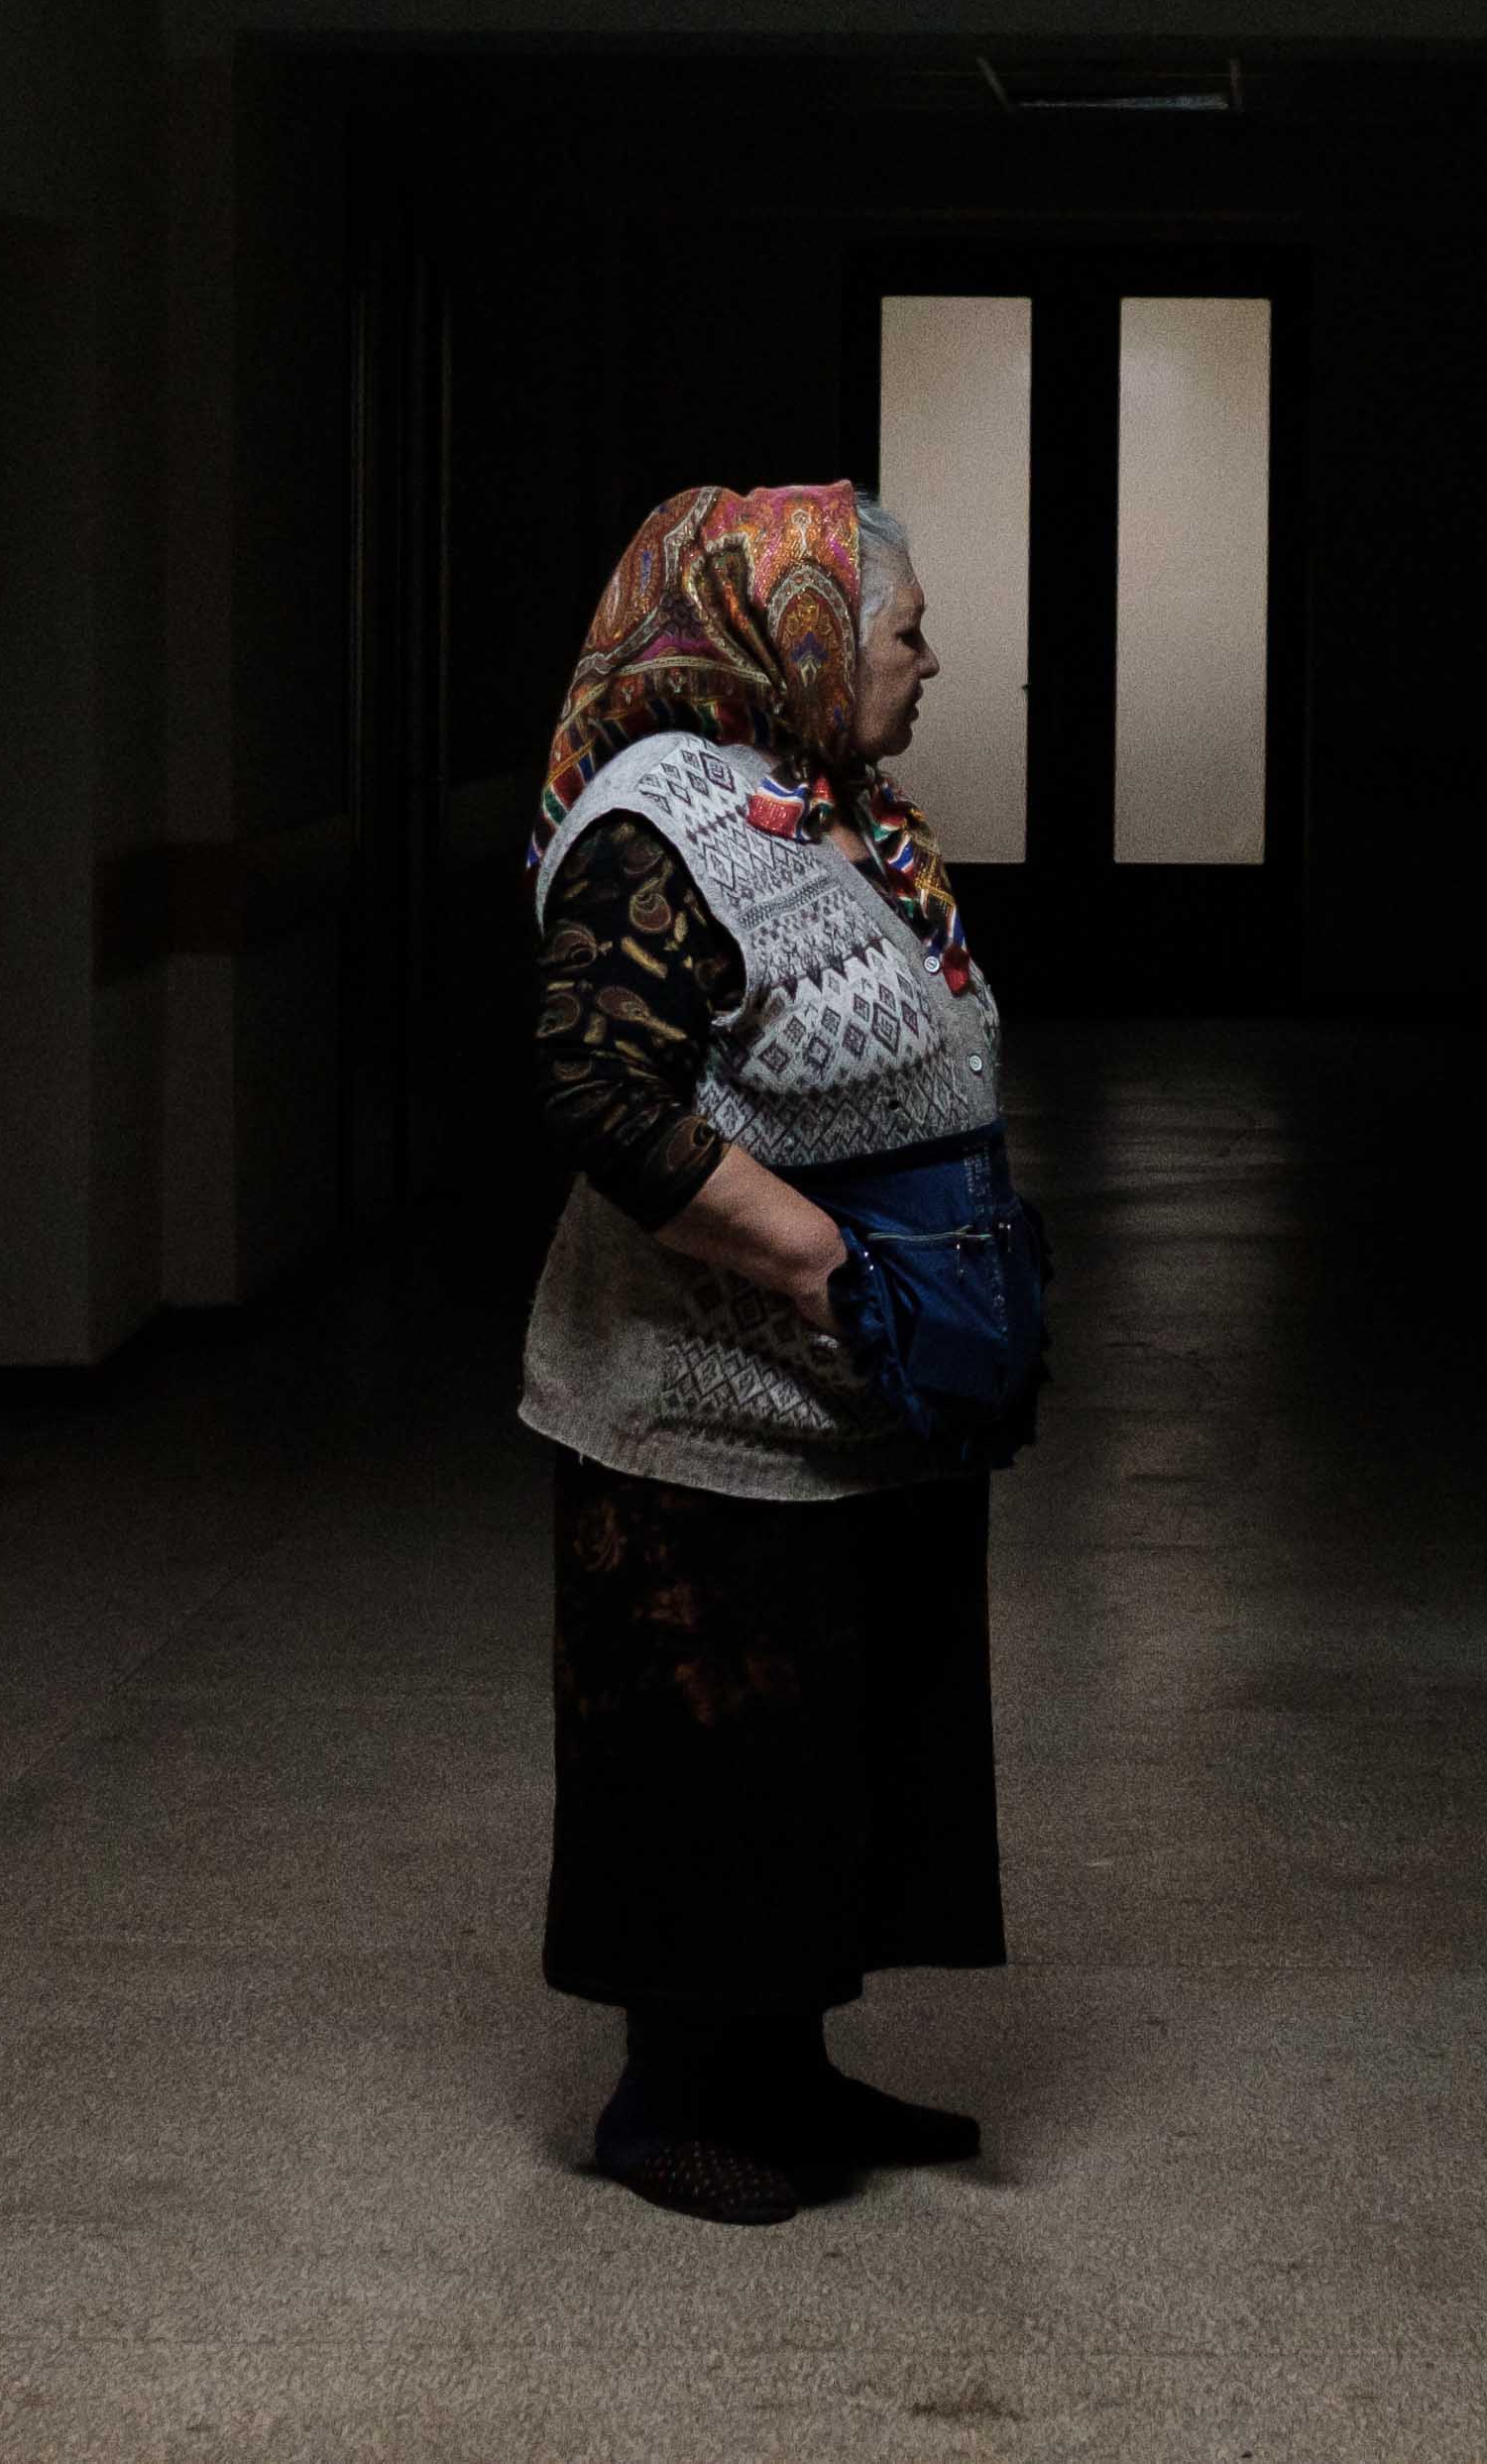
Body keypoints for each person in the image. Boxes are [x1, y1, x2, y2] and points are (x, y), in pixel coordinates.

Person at [517, 479, 1035, 2225]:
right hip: (704, 1409)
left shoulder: (832, 802)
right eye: (902, 630)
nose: (929, 658)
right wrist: (819, 1261)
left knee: (834, 1746)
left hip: (854, 1403)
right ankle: (670, 2099)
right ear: (793, 634)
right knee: (717, 1755)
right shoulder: (652, 820)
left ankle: (789, 2067)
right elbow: (598, 1084)